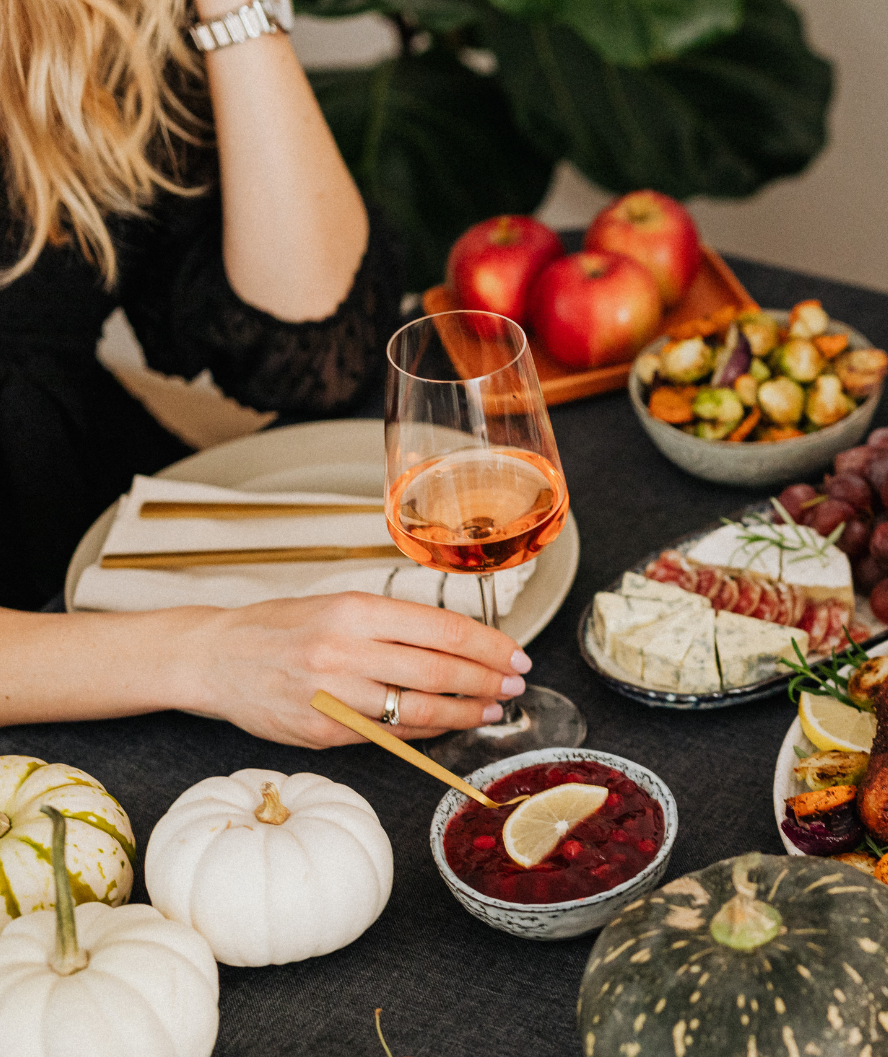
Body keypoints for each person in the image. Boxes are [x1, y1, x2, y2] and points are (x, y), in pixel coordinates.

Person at [0, 0, 525, 745]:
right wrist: (203, 655)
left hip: (91, 523)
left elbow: (316, 354)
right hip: (89, 659)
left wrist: (234, 9)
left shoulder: (74, 17)